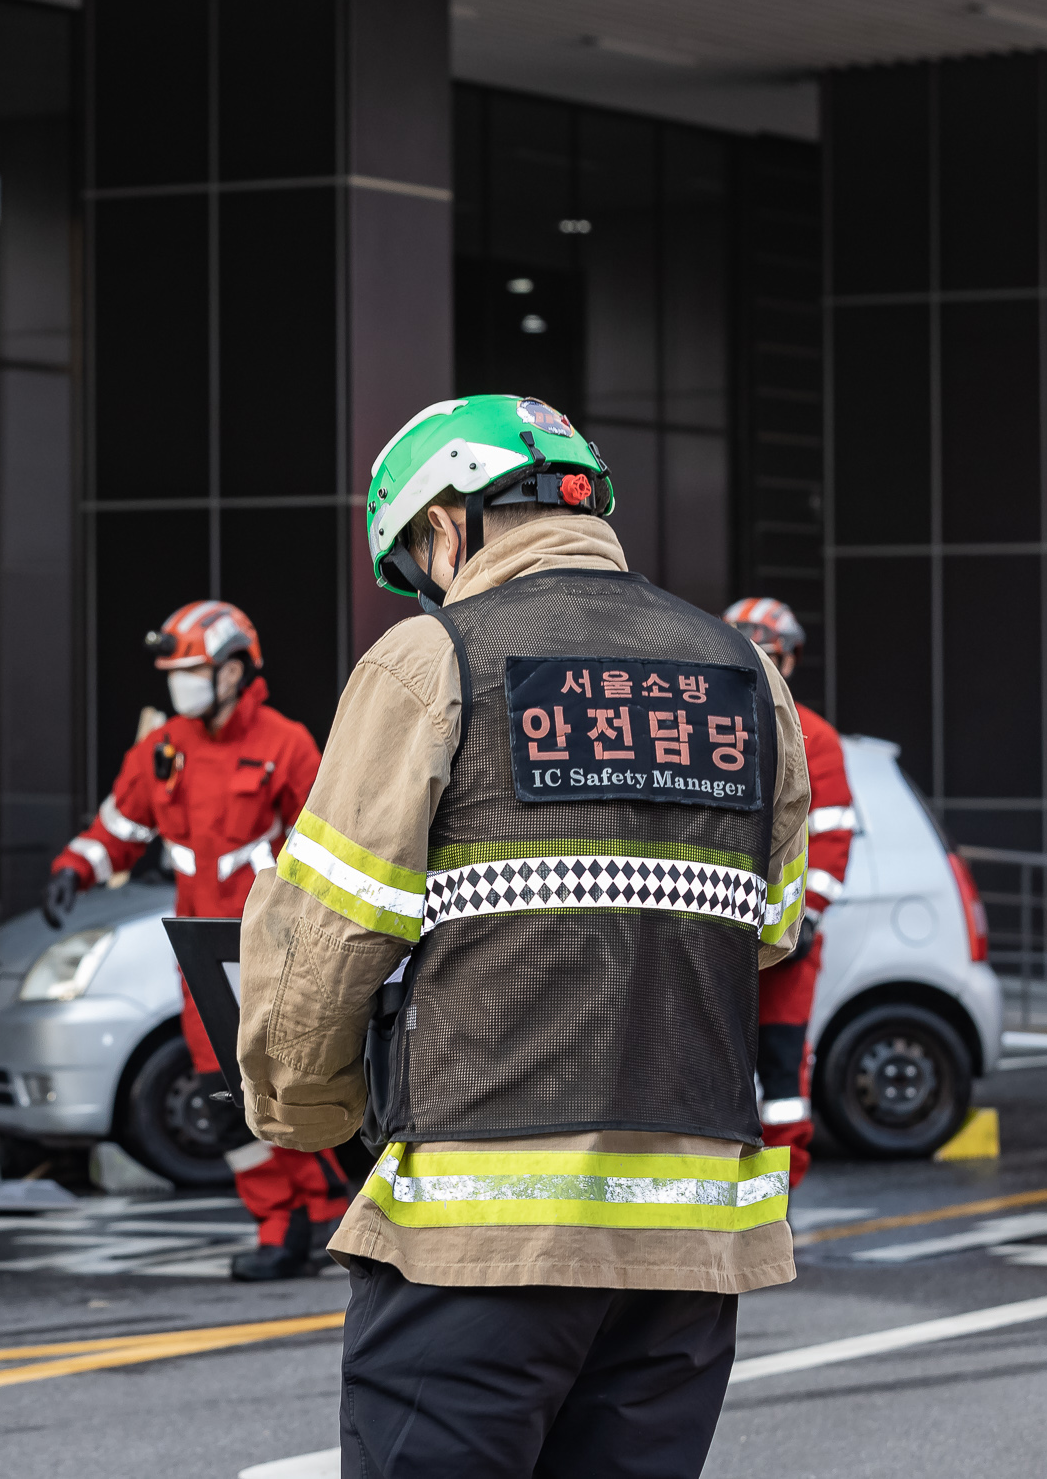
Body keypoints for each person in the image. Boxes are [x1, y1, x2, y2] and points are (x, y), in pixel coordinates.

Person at [237, 394, 810, 1477]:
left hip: (476, 1235)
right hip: (688, 1244)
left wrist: (306, 1112)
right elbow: (769, 930)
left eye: (417, 552)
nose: (425, 578)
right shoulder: (747, 674)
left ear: (450, 522)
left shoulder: (430, 661)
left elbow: (328, 940)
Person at [43, 600, 329, 1279]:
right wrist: (74, 866)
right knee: (227, 1095)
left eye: (194, 669)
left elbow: (327, 846)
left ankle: (316, 1212)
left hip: (272, 947)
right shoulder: (163, 749)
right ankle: (280, 1220)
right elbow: (120, 824)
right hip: (200, 954)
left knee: (286, 1090)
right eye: (175, 672)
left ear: (235, 671)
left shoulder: (285, 744)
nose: (181, 684)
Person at [722, 596, 853, 1186]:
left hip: (781, 939)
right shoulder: (705, 720)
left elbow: (830, 836)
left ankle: (776, 1199)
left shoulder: (815, 737)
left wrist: (809, 918)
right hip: (718, 924)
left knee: (779, 1081)